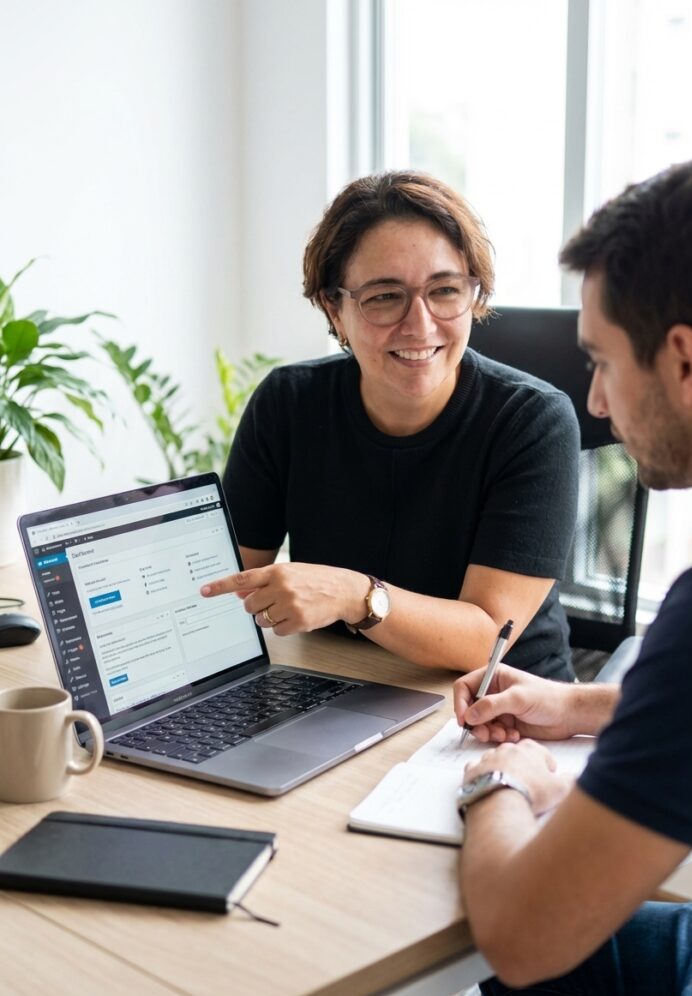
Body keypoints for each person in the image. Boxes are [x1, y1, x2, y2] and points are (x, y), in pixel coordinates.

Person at [455, 159, 692, 996]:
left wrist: (501, 784)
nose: (593, 399)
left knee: (511, 953)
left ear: (683, 360)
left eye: (599, 361)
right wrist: (585, 704)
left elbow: (522, 934)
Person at [201, 171, 579, 677]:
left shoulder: (533, 421)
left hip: (498, 706)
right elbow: (228, 583)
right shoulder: (288, 403)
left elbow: (484, 638)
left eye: (445, 291)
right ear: (335, 309)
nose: (420, 326)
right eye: (384, 297)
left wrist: (357, 595)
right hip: (338, 683)